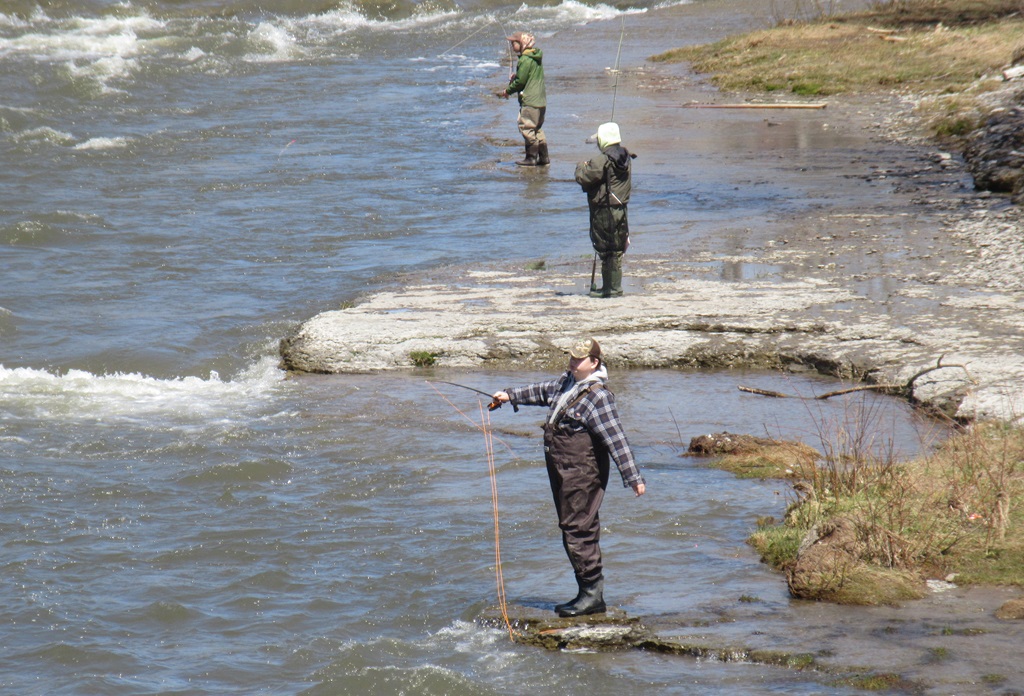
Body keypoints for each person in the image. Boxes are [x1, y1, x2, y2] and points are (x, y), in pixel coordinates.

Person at [491, 337, 645, 618]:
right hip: (562, 468)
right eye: (572, 358)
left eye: (579, 360)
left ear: (594, 363)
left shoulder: (599, 397)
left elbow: (616, 439)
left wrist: (633, 477)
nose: (573, 363)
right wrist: (509, 395)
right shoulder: (567, 383)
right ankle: (585, 592)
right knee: (569, 526)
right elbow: (541, 391)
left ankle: (592, 596)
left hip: (582, 473)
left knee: (578, 528)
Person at [575, 122, 635, 297]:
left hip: (604, 210)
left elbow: (584, 177)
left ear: (603, 140)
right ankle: (613, 287)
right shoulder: (625, 156)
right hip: (621, 209)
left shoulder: (602, 160)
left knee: (605, 248)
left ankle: (610, 289)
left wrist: (581, 166)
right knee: (616, 248)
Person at [500, 31, 549, 167]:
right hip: (540, 101)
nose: (511, 46)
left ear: (522, 43)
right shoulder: (534, 57)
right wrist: (517, 76)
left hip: (530, 101)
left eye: (513, 43)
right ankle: (544, 157)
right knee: (537, 128)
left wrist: (507, 91)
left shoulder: (524, 59)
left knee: (526, 127)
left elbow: (521, 82)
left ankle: (531, 157)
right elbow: (526, 77)